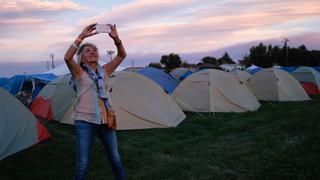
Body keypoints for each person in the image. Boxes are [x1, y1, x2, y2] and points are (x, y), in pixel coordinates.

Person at [64, 23, 126, 180]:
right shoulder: (79, 72)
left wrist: (116, 39)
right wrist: (82, 36)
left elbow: (121, 55)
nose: (92, 52)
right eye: (88, 51)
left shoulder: (105, 70)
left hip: (106, 119)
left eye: (95, 50)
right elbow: (67, 57)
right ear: (83, 57)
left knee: (116, 159)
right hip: (85, 121)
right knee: (83, 164)